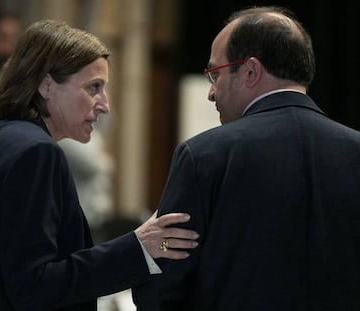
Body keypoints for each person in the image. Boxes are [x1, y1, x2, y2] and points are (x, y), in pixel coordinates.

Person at [0, 20, 199, 311]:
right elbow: (34, 286)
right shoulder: (36, 152)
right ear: (46, 85)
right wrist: (137, 249)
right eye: (94, 87)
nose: (104, 105)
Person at [132, 6, 360, 311]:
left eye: (216, 74)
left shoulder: (203, 155)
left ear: (251, 71)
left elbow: (164, 275)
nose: (211, 92)